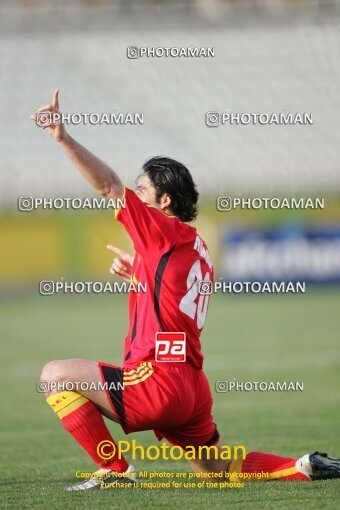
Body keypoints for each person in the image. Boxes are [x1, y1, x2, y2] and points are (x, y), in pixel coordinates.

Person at [31, 91, 340, 491]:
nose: (135, 196)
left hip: (158, 379)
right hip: (191, 385)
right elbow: (173, 299)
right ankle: (302, 465)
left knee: (54, 376)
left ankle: (116, 471)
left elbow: (108, 185)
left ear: (165, 200)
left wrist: (63, 138)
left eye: (142, 189)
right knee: (219, 470)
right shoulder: (195, 245)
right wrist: (139, 275)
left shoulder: (162, 230)